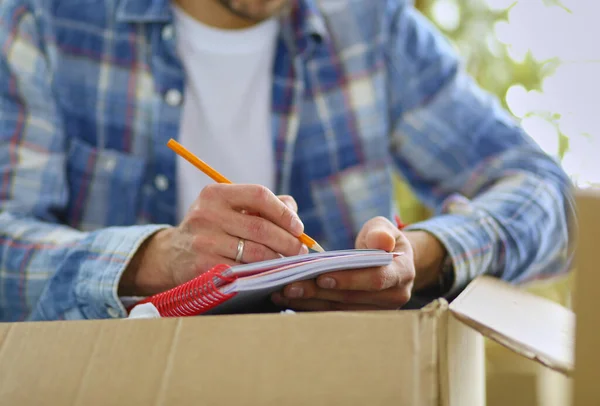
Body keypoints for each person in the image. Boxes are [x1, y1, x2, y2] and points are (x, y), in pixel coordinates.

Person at [0, 0, 575, 322]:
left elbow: (550, 194)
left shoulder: (375, 29)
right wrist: (155, 258)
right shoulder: (47, 22)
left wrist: (421, 256)